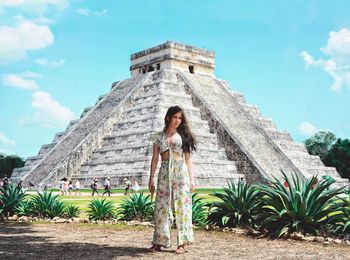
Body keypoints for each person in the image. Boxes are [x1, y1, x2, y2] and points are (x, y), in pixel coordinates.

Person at [148, 106, 196, 254]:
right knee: (161, 208)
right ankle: (159, 241)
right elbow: (155, 158)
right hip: (164, 173)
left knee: (182, 207)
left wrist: (192, 180)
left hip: (180, 173)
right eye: (175, 117)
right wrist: (151, 179)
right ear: (168, 118)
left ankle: (182, 242)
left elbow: (188, 160)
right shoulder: (158, 136)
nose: (178, 121)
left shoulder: (183, 136)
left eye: (180, 118)